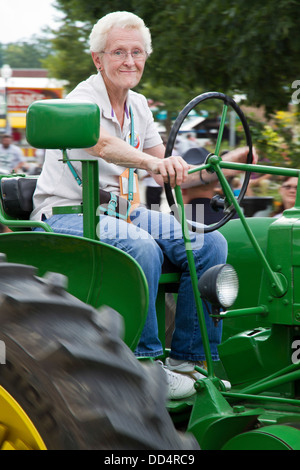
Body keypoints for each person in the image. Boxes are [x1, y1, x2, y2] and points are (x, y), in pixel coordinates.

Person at [30, 11, 256, 399]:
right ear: (98, 59)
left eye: (137, 53)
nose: (130, 61)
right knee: (140, 245)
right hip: (69, 213)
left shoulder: (138, 105)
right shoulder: (82, 101)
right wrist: (152, 162)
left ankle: (189, 360)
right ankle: (145, 361)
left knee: (209, 244)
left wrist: (219, 166)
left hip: (123, 212)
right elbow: (102, 144)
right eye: (119, 52)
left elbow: (166, 167)